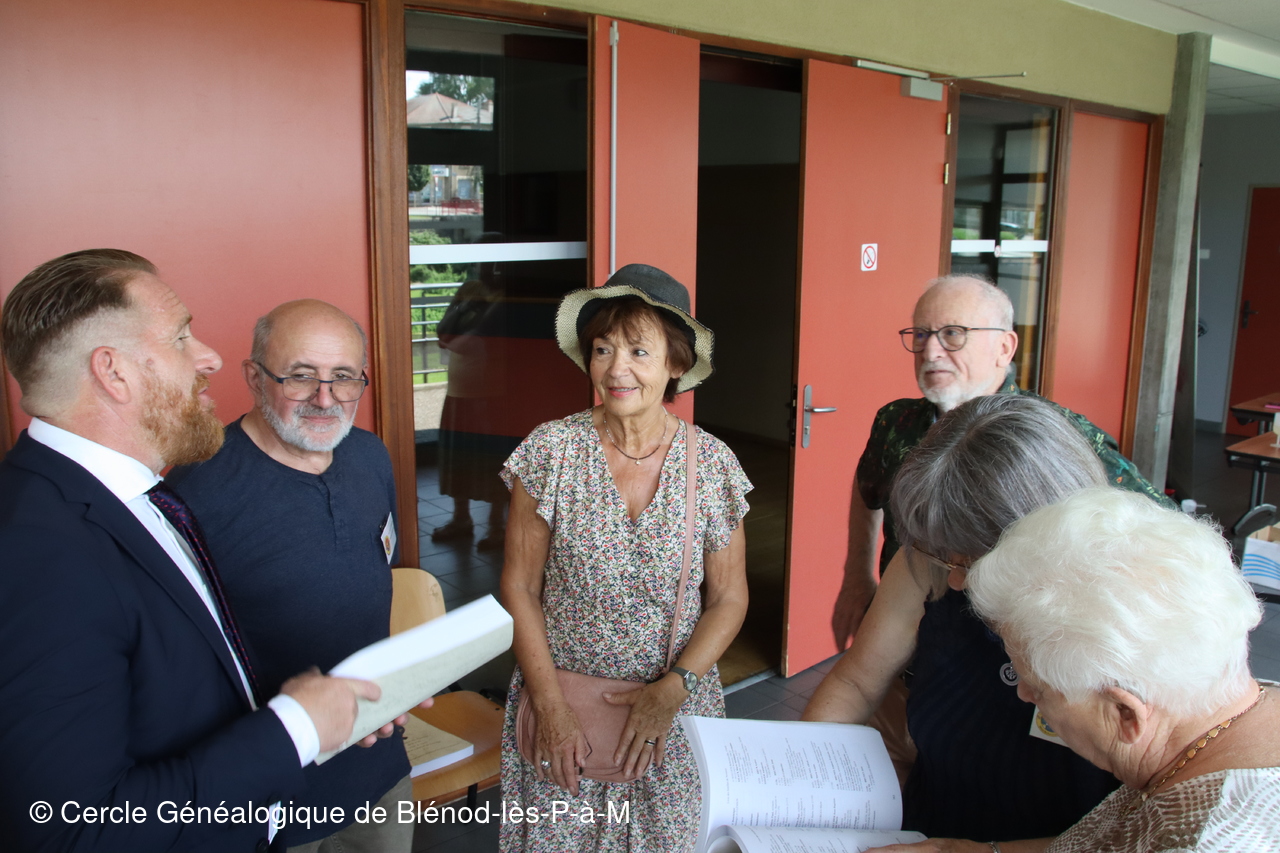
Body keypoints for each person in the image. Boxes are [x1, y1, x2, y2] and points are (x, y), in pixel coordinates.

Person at [0, 250, 411, 852]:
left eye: (344, 376)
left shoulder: (135, 502)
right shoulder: (38, 551)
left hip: (339, 772)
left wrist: (346, 699)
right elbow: (71, 827)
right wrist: (297, 726)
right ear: (113, 372)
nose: (208, 357)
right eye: (180, 337)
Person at [498, 263, 751, 852]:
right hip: (564, 707)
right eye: (603, 349)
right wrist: (550, 706)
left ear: (676, 363)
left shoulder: (713, 465)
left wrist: (675, 688)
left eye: (639, 351)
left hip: (674, 717)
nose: (616, 369)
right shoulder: (551, 451)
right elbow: (519, 587)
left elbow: (729, 597)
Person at [804, 395, 1126, 845]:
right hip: (930, 826)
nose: (955, 580)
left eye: (974, 561)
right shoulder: (934, 562)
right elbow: (856, 684)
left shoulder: (1129, 615)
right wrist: (800, 772)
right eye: (944, 556)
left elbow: (1135, 831)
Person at [166, 299, 411, 853]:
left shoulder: (371, 456)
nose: (325, 398)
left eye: (343, 377)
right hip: (270, 793)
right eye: (300, 376)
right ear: (255, 378)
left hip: (379, 769)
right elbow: (177, 668)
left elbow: (372, 583)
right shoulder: (194, 493)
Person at [830, 274, 1168, 650]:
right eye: (922, 334)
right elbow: (868, 489)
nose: (931, 351)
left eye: (953, 333)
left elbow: (1161, 529)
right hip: (902, 634)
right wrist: (856, 576)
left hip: (1005, 653)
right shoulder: (897, 421)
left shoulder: (1052, 435)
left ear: (1004, 348)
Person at [958, 488, 1280, 852]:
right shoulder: (1232, 706)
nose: (1024, 694)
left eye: (1039, 688)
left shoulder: (1202, 841)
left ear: (1125, 713)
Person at [429, 246, 514, 551]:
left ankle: (497, 526)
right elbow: (443, 332)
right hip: (459, 390)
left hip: (492, 394)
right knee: (458, 456)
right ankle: (461, 518)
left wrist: (466, 324)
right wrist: (467, 304)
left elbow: (468, 341)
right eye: (481, 261)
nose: (485, 268)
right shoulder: (470, 289)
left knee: (492, 459)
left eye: (492, 262)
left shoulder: (506, 297)